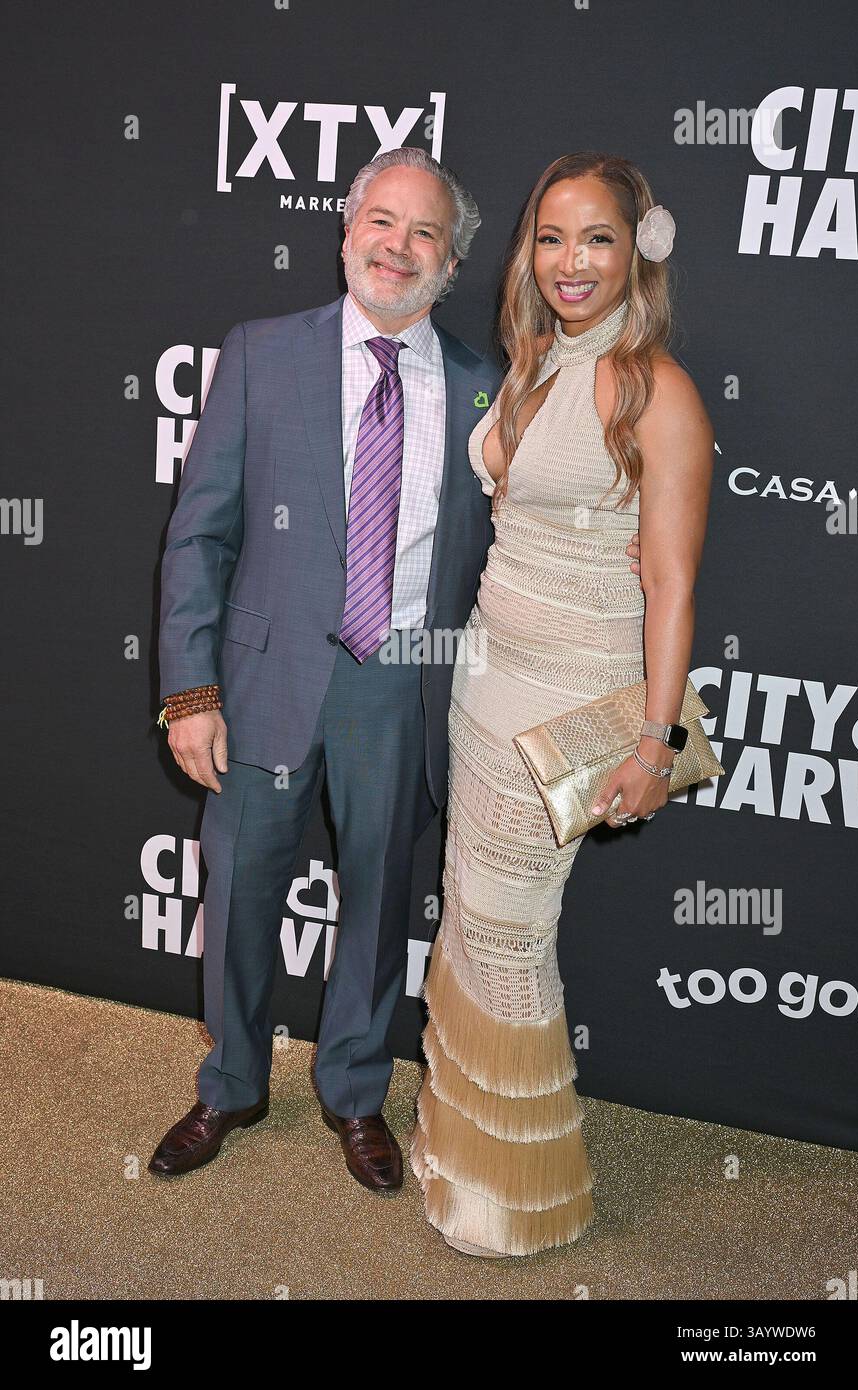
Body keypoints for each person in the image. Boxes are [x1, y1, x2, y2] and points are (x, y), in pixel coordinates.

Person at [149, 148, 642, 1193]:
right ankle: (230, 1081)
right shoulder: (260, 353)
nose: (397, 246)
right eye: (381, 220)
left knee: (377, 911)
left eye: (424, 233)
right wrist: (191, 691)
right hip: (264, 683)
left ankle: (354, 1092)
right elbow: (198, 537)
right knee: (238, 895)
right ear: (343, 232)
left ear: (453, 262)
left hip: (401, 689)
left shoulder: (485, 389)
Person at [409, 152, 714, 1256]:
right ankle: (458, 1143)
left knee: (507, 935)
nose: (569, 261)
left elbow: (673, 579)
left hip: (569, 701)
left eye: (593, 237)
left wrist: (653, 736)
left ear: (639, 245)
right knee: (469, 911)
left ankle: (511, 1188)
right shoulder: (531, 363)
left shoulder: (654, 388)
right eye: (549, 237)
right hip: (484, 681)